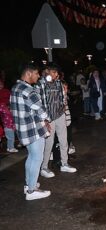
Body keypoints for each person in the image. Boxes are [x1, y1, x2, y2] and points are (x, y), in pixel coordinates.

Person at [10, 64, 51, 200]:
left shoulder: (15, 88)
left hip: (23, 129)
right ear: (28, 73)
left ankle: (28, 185)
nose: (38, 76)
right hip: (33, 129)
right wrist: (48, 119)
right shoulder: (28, 90)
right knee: (37, 158)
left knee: (31, 157)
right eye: (36, 73)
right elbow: (41, 110)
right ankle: (32, 191)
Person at [36, 63, 77, 178]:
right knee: (49, 143)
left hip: (60, 115)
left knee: (64, 141)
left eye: (56, 72)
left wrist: (63, 106)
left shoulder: (59, 83)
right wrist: (44, 119)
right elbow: (38, 103)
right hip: (48, 118)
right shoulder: (41, 84)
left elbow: (62, 97)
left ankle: (64, 164)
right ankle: (44, 167)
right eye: (52, 72)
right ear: (47, 71)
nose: (55, 75)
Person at [0, 79, 18, 152]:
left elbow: (11, 98)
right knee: (10, 135)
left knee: (12, 135)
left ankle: (10, 147)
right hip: (6, 120)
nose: (0, 86)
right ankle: (10, 147)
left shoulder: (6, 91)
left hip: (10, 116)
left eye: (1, 84)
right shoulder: (3, 107)